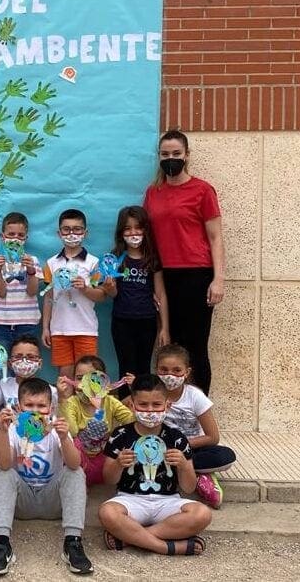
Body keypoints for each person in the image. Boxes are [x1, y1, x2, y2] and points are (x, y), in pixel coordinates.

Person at [144, 130, 225, 394]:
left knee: (196, 346)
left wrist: (218, 278)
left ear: (187, 155)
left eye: (176, 154)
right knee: (170, 345)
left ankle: (200, 409)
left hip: (197, 274)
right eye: (165, 154)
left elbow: (215, 237)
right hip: (165, 276)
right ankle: (173, 407)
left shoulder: (202, 190)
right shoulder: (153, 192)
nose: (171, 159)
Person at [0, 378, 93, 577]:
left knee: (75, 473)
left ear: (51, 408)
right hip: (22, 502)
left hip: (53, 502)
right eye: (29, 405)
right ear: (19, 407)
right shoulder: (13, 430)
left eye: (41, 405)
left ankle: (73, 542)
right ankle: (1, 544)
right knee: (2, 474)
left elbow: (74, 463)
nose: (35, 410)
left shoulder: (56, 430)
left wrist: (64, 438)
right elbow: (4, 464)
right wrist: (2, 432)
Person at [99, 374, 212, 556]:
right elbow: (109, 480)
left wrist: (183, 465)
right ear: (132, 405)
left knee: (202, 514)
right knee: (107, 512)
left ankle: (129, 539)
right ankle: (167, 547)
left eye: (156, 405)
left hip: (168, 501)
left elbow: (189, 488)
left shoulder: (177, 438)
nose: (150, 410)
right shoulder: (120, 435)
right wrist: (118, 464)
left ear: (167, 405)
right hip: (130, 499)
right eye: (143, 405)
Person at [155, 344, 236, 509]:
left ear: (187, 372)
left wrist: (183, 445)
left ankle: (189, 471)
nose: (170, 375)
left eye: (177, 370)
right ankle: (194, 472)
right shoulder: (151, 392)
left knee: (225, 456)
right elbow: (127, 407)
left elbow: (213, 437)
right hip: (160, 449)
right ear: (156, 370)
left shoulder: (195, 396)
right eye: (163, 370)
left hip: (192, 449)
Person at [104, 206, 169, 399]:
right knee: (126, 368)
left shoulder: (152, 258)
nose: (133, 233)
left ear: (145, 229)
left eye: (137, 227)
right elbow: (113, 294)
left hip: (147, 321)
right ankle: (125, 413)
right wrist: (109, 287)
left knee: (143, 369)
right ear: (120, 232)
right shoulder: (115, 258)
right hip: (122, 321)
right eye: (127, 228)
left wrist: (164, 327)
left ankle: (144, 406)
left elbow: (161, 294)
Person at [41, 209, 106, 379]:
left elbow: (101, 295)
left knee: (88, 376)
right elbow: (48, 298)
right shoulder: (51, 263)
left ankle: (88, 406)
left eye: (77, 229)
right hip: (59, 330)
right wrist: (45, 327)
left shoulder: (93, 263)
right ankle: (66, 406)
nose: (72, 234)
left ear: (85, 232)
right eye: (66, 229)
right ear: (59, 233)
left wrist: (85, 288)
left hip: (86, 329)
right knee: (65, 377)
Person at [0, 335, 57, 457]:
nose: (24, 361)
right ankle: (10, 464)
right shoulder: (4, 385)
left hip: (40, 445)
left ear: (40, 363)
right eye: (18, 357)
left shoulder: (50, 390)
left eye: (31, 357)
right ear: (9, 363)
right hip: (11, 444)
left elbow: (54, 424)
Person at [56, 356, 134, 486]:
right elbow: (72, 431)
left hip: (103, 456)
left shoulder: (110, 402)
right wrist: (62, 399)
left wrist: (135, 394)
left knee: (126, 436)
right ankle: (79, 484)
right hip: (80, 458)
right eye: (79, 378)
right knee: (71, 443)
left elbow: (130, 421)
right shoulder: (72, 402)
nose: (84, 384)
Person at [0, 212, 42, 351]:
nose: (15, 238)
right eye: (11, 234)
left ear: (26, 238)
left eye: (20, 235)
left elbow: (32, 292)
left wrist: (31, 271)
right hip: (2, 322)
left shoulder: (33, 261)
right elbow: (0, 293)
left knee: (25, 360)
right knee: (2, 363)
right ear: (3, 237)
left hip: (27, 321)